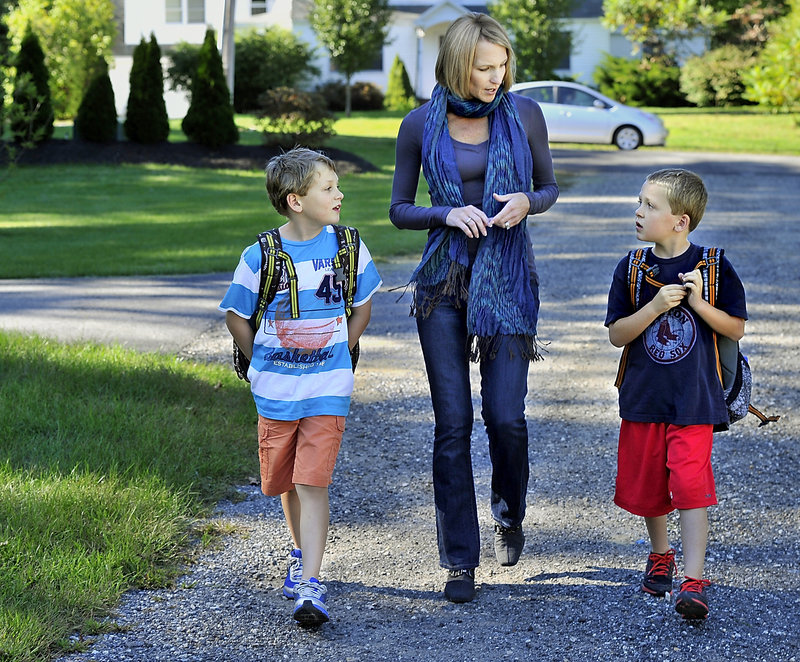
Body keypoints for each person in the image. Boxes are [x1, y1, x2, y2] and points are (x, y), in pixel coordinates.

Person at [389, 13, 559, 603]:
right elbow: (399, 209)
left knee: (506, 417)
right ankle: (460, 560)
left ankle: (509, 514)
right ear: (458, 65)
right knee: (453, 423)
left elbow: (548, 187)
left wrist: (526, 202)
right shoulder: (419, 123)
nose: (496, 77)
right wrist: (446, 213)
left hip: (506, 280)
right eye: (484, 67)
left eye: (502, 65)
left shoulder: (525, 114)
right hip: (442, 283)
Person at [219, 147, 382, 626]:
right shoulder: (260, 256)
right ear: (296, 200)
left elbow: (363, 307)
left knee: (312, 481)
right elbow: (236, 315)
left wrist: (339, 351)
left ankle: (311, 584)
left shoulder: (348, 248)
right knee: (286, 480)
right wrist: (259, 363)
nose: (339, 194)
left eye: (337, 186)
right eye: (328, 188)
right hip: (276, 392)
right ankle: (298, 551)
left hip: (328, 387)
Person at [605, 168, 747, 620]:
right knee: (650, 487)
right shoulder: (631, 269)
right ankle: (661, 554)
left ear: (680, 221)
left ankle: (693, 580)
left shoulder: (714, 267)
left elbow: (736, 329)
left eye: (649, 205)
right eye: (639, 201)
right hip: (644, 399)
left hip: (695, 401)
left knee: (689, 485)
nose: (638, 211)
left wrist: (698, 303)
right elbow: (617, 335)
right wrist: (654, 306)